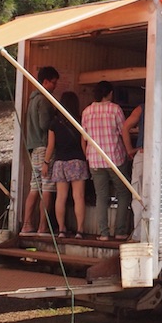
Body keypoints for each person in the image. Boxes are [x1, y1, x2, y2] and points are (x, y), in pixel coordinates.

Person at [81, 80, 131, 241]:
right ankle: (120, 231)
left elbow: (84, 138)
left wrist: (88, 156)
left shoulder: (87, 112)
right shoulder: (115, 109)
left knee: (101, 196)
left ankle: (103, 233)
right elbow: (124, 131)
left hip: (95, 160)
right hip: (115, 157)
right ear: (109, 93)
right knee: (123, 193)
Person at [42, 91, 89, 238]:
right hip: (77, 161)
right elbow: (83, 144)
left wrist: (45, 163)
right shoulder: (80, 121)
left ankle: (61, 230)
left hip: (60, 163)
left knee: (60, 197)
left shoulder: (54, 123)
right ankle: (80, 231)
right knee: (78, 197)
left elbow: (51, 146)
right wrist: (88, 161)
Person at [21, 66, 59, 234]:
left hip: (34, 148)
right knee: (47, 188)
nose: (55, 86)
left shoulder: (32, 99)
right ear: (45, 81)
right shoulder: (44, 99)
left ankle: (27, 224)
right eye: (54, 82)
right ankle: (43, 226)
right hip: (45, 148)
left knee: (34, 188)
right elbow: (45, 124)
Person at [121, 101, 146, 241]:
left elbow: (125, 128)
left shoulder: (142, 108)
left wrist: (130, 149)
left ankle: (138, 235)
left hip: (143, 153)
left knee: (138, 196)